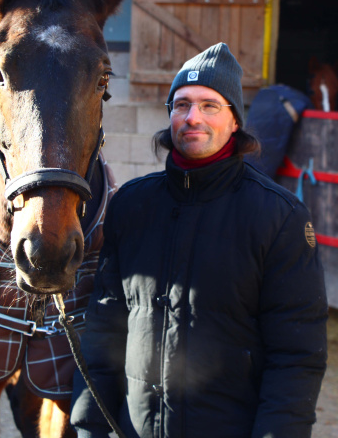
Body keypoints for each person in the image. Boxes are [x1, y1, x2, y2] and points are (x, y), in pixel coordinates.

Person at [71, 42, 328, 438]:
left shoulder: (279, 217)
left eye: (210, 105)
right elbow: (104, 328)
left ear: (235, 121)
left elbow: (296, 356)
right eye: (182, 105)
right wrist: (90, 426)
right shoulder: (132, 206)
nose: (192, 117)